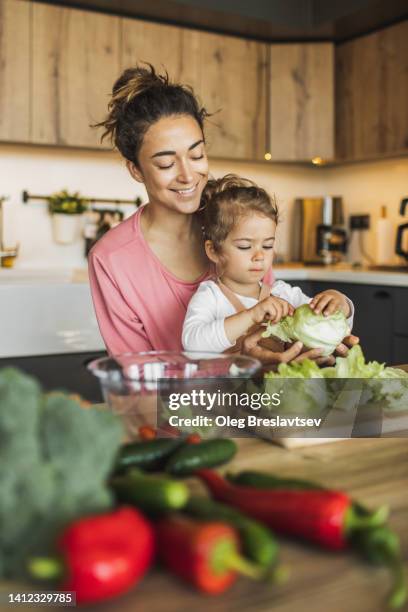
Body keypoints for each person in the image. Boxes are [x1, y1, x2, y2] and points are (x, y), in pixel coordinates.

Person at [89, 64, 357, 363]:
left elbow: (273, 327)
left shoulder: (238, 224)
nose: (188, 175)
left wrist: (314, 338)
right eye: (166, 164)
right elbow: (138, 380)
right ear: (136, 169)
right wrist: (238, 365)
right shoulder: (112, 259)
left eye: (197, 154)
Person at [182, 175, 354, 354]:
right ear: (213, 251)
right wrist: (252, 315)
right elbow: (192, 342)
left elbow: (326, 321)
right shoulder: (210, 296)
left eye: (267, 246)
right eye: (245, 246)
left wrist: (340, 302)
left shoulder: (282, 293)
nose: (259, 255)